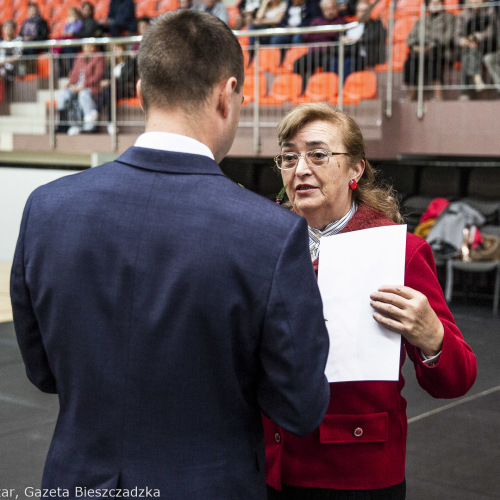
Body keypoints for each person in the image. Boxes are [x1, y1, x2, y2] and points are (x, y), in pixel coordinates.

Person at [11, 10, 330, 498]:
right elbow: (300, 407)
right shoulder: (271, 234)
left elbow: (42, 371)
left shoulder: (47, 208)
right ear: (227, 95)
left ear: (140, 92)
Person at [264, 102, 477, 499]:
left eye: (318, 154)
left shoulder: (400, 253)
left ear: (355, 170)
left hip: (354, 475)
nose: (301, 168)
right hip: (266, 465)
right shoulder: (261, 243)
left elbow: (458, 379)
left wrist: (433, 338)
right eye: (289, 157)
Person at [403, 0, 456, 101]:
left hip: (440, 51)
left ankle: (438, 95)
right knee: (410, 62)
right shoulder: (422, 20)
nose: (435, 5)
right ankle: (410, 94)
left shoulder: (449, 18)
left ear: (442, 4)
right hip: (421, 50)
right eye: (432, 3)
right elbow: (410, 37)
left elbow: (449, 36)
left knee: (434, 60)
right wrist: (415, 47)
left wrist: (432, 45)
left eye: (438, 2)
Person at [292, 0, 347, 92]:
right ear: (322, 10)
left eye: (332, 8)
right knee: (298, 63)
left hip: (329, 52)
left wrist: (320, 33)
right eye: (327, 9)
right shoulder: (316, 21)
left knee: (329, 63)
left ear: (337, 8)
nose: (330, 11)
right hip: (314, 52)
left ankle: (325, 90)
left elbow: (334, 34)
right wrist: (327, 33)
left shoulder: (342, 21)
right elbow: (306, 36)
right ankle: (304, 89)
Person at [55, 43, 105, 135]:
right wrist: (70, 84)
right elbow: (73, 73)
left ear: (95, 47)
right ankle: (62, 124)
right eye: (86, 46)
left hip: (91, 87)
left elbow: (97, 75)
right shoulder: (80, 57)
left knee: (83, 95)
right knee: (63, 94)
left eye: (90, 46)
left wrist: (83, 85)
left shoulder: (99, 57)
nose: (88, 48)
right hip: (76, 86)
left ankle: (90, 126)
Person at [455, 0, 498, 100]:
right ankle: (476, 78)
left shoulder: (490, 12)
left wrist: (478, 37)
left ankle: (465, 93)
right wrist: (463, 41)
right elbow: (457, 36)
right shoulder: (463, 15)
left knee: (469, 52)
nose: (475, 1)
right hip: (468, 47)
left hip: (487, 45)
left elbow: (492, 31)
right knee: (469, 52)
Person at [337, 0, 386, 80]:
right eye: (360, 11)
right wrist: (344, 39)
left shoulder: (376, 23)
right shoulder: (352, 25)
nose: (363, 13)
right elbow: (342, 37)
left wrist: (357, 40)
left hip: (367, 56)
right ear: (356, 12)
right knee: (334, 61)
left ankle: (345, 86)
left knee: (349, 62)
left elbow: (373, 37)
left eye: (365, 11)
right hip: (350, 53)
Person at [97, 43, 137, 134]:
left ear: (123, 49)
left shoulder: (130, 61)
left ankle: (96, 111)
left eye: (118, 48)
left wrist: (110, 81)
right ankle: (110, 123)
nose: (116, 51)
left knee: (110, 90)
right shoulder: (110, 63)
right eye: (114, 49)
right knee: (110, 92)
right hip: (114, 90)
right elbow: (106, 77)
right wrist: (105, 82)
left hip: (127, 89)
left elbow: (126, 78)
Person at [0, 20, 21, 100]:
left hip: (12, 69)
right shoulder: (1, 42)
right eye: (7, 28)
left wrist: (4, 62)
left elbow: (18, 56)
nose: (9, 30)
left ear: (14, 29)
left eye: (11, 28)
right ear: (3, 29)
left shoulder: (18, 41)